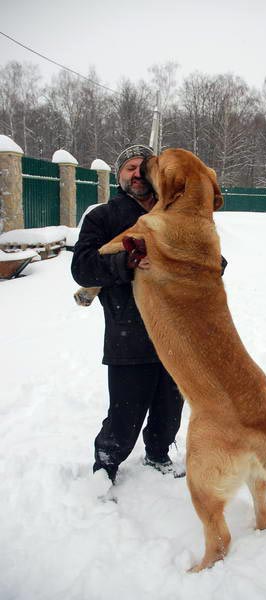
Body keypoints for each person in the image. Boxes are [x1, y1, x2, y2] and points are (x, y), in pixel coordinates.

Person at [71, 144, 186, 483]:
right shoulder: (102, 217)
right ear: (119, 175)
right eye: (129, 168)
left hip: (176, 331)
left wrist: (209, 264)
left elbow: (206, 249)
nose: (137, 173)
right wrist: (126, 262)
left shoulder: (175, 213)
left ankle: (158, 452)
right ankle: (105, 465)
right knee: (125, 412)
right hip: (129, 331)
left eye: (144, 167)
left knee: (170, 408)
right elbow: (83, 268)